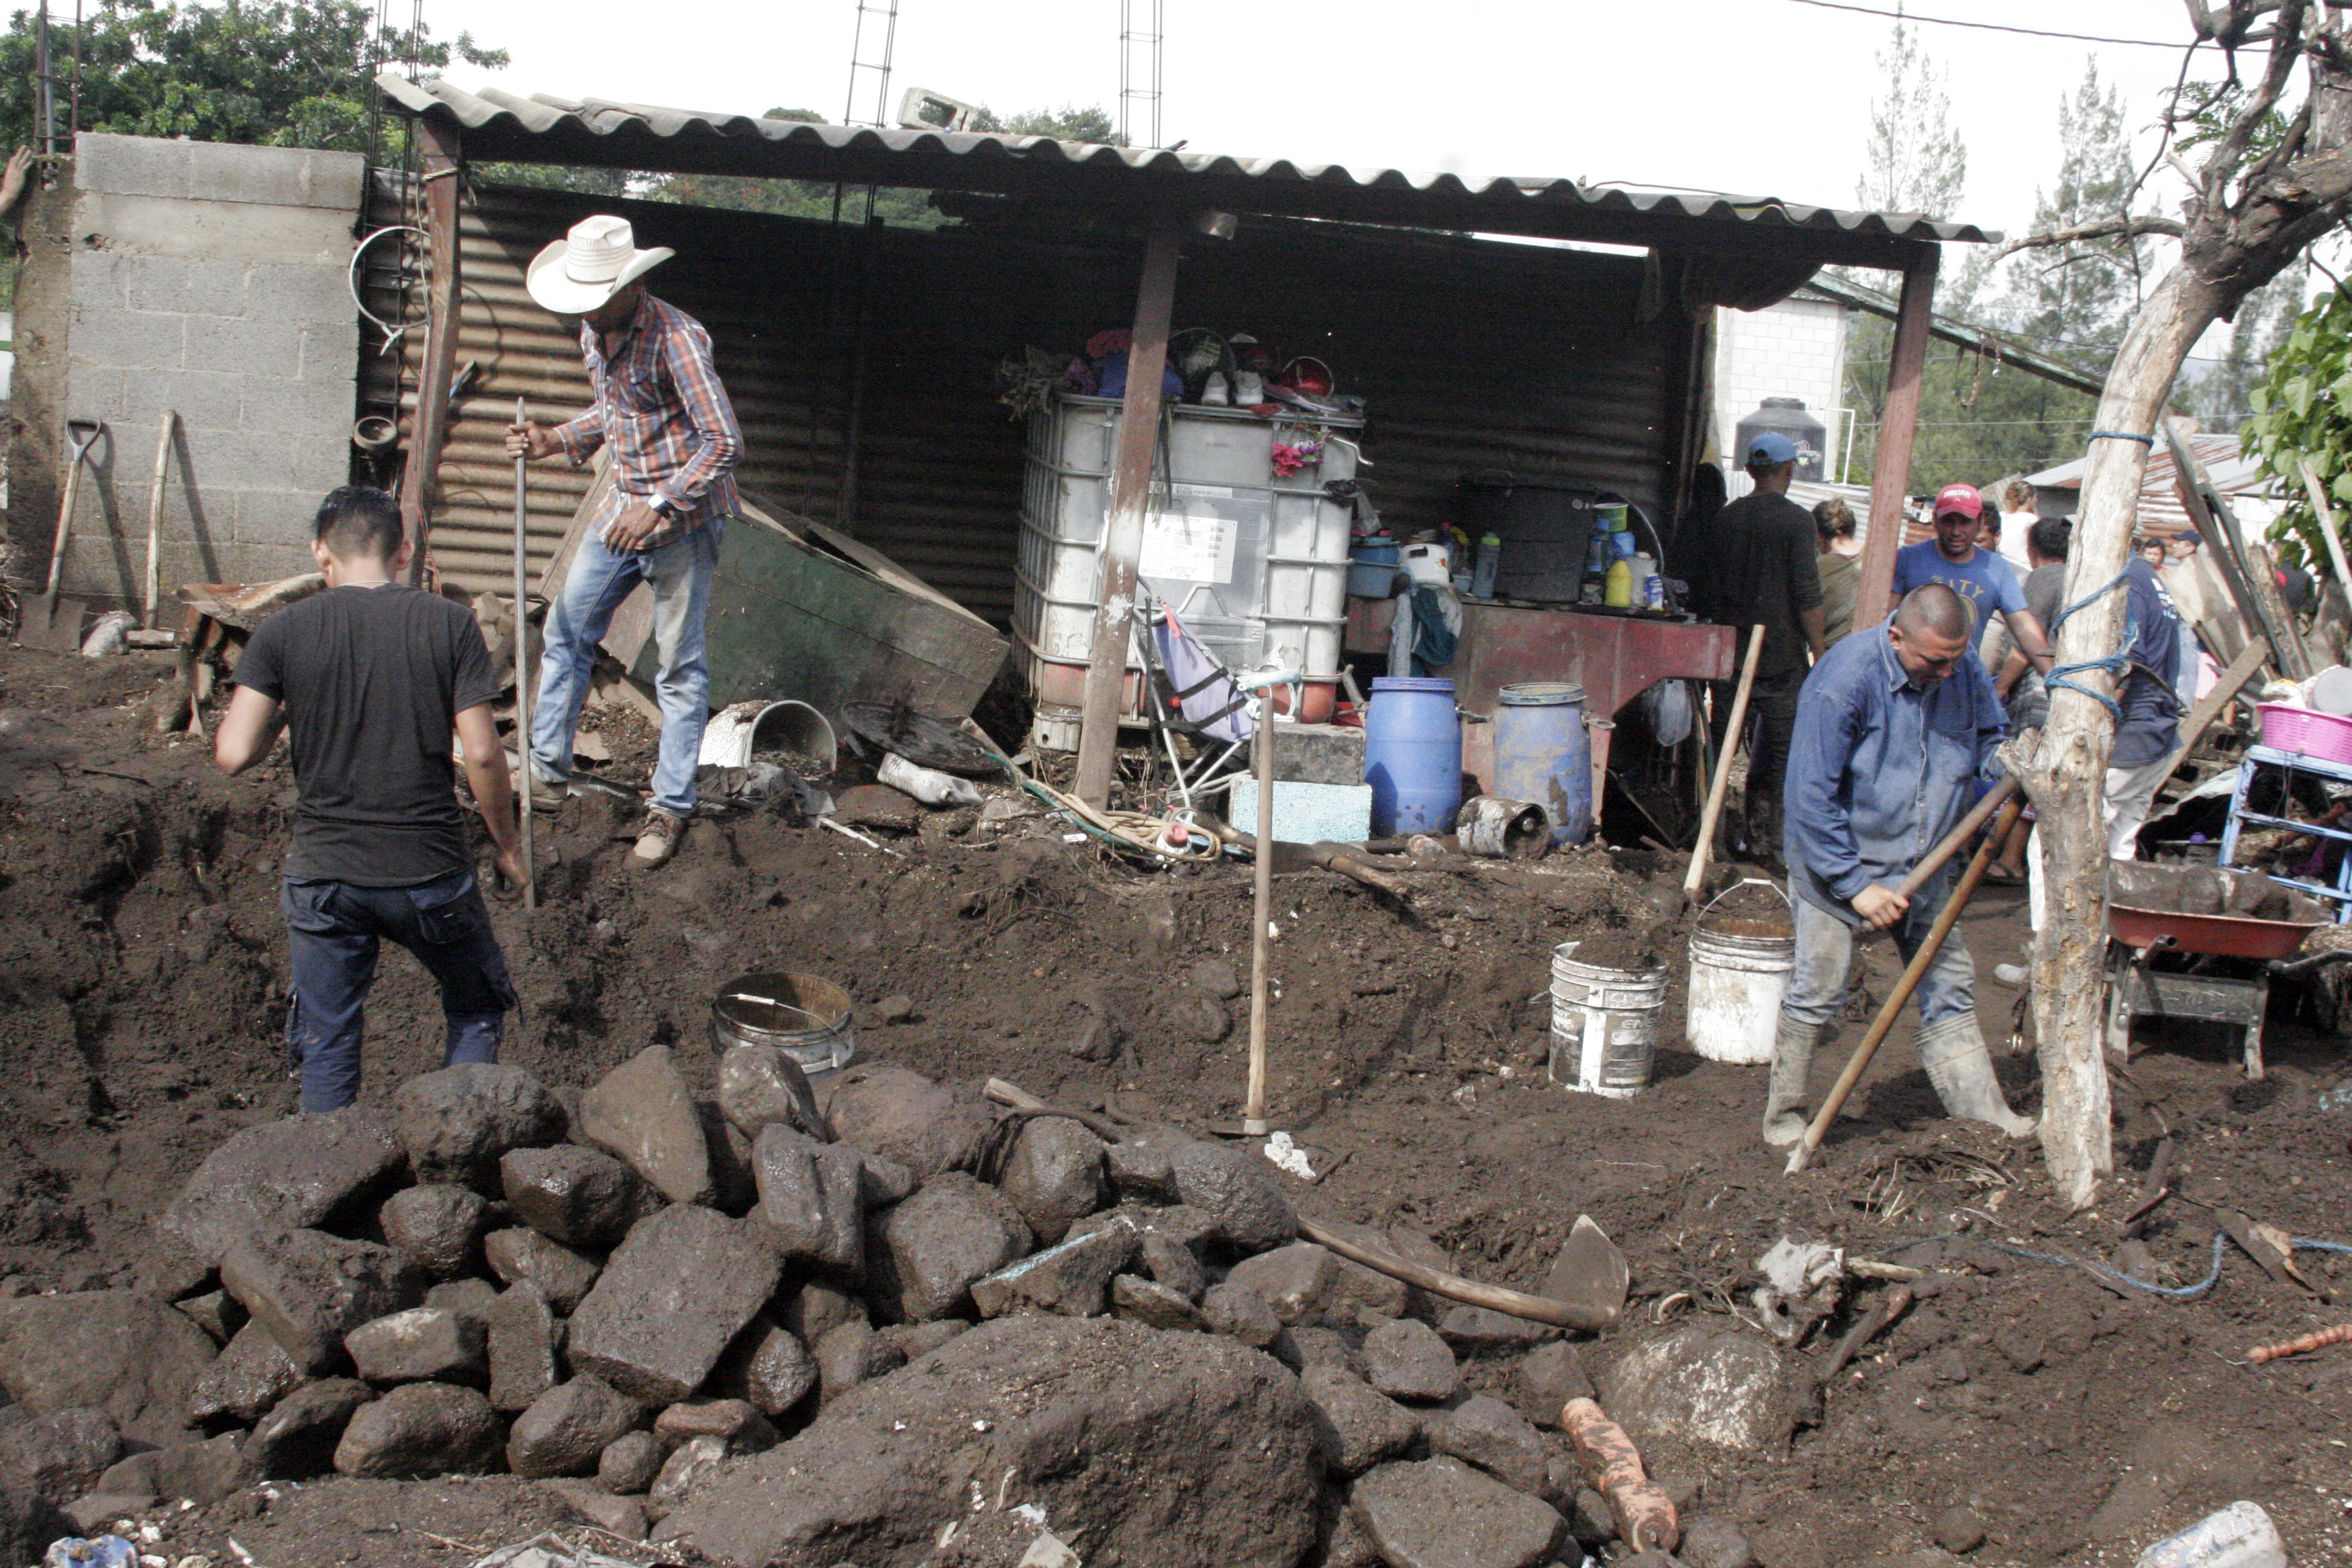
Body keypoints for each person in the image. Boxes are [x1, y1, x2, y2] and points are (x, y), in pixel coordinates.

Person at [213, 486, 524, 1114]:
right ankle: (457, 1145)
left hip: (324, 876)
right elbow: (485, 756)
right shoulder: (450, 623)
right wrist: (509, 847)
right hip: (426, 871)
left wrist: (288, 707)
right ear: (403, 552)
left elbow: (233, 753)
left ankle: (327, 1184)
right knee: (475, 1003)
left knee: (328, 1039)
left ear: (320, 552)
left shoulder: (283, 630)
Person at [507, 215, 744, 869]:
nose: (585, 312)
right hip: (621, 506)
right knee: (566, 628)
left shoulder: (677, 339)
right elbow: (617, 414)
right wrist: (559, 438)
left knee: (677, 666)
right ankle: (547, 773)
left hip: (683, 521)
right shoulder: (594, 330)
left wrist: (661, 504)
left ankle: (669, 805)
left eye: (596, 297)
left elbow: (724, 441)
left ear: (631, 287)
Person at [1764, 584, 2036, 1148]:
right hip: (1838, 868)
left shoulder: (1958, 671)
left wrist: (2010, 760)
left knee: (1950, 985)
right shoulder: (1844, 682)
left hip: (1926, 861)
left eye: (1955, 660)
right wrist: (1856, 886)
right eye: (1933, 660)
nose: (1946, 673)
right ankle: (1785, 1120)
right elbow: (1810, 798)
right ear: (1896, 636)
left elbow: (1988, 738)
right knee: (1819, 988)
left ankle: (1984, 1119)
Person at [1692, 432, 1825, 860]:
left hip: (1731, 656)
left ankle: (1710, 840)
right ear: (1789, 470)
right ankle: (1777, 847)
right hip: (1783, 661)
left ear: (1750, 471)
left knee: (1721, 749)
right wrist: (1819, 651)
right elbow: (1807, 595)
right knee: (1786, 757)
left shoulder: (1727, 519)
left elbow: (1707, 591)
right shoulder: (1797, 521)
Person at [1892, 483, 2055, 683]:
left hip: (1961, 684)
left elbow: (2023, 626)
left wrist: (2052, 677)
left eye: (1965, 522)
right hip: (1908, 679)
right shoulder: (1908, 559)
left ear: (1980, 521)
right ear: (1935, 520)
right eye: (1948, 521)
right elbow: (1884, 619)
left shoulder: (1996, 569)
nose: (1956, 531)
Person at [1986, 517, 2070, 883]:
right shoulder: (2079, 577)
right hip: (2067, 688)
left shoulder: (2043, 579)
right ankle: (2010, 856)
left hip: (2038, 688)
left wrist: (2000, 687)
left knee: (2025, 776)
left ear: (2034, 551)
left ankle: (2006, 858)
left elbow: (2026, 644)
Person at [2102, 547, 2186, 861]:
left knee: (2068, 838)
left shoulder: (2127, 578)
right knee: (2120, 844)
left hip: (2132, 732)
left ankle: (2054, 913)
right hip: (2157, 729)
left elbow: (2129, 657)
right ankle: (2112, 911)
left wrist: (2099, 721)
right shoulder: (2149, 575)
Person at [1813, 497, 1863, 646]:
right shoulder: (1876, 557)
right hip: (1871, 647)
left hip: (1833, 651)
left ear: (1819, 536)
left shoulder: (1819, 568)